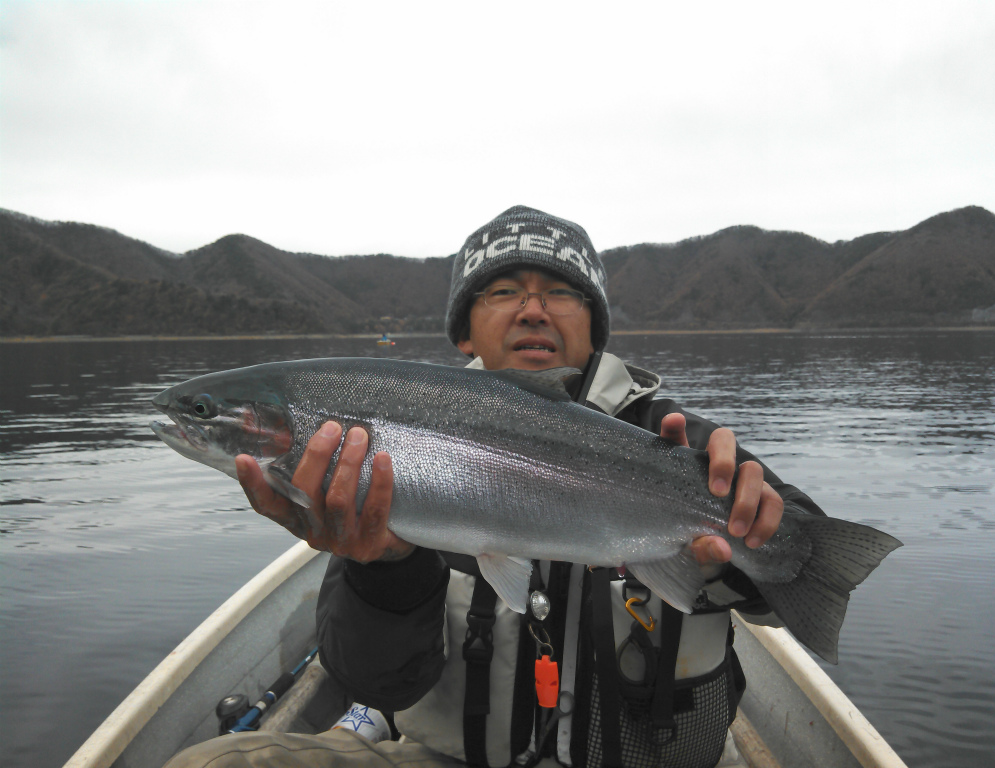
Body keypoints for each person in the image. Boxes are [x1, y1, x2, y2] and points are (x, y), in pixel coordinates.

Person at [165, 206, 825, 768]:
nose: (534, 309)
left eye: (560, 292)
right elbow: (375, 683)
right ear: (464, 330)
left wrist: (748, 550)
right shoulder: (366, 452)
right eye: (504, 290)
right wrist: (385, 568)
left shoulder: (675, 442)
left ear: (594, 324)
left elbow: (794, 564)